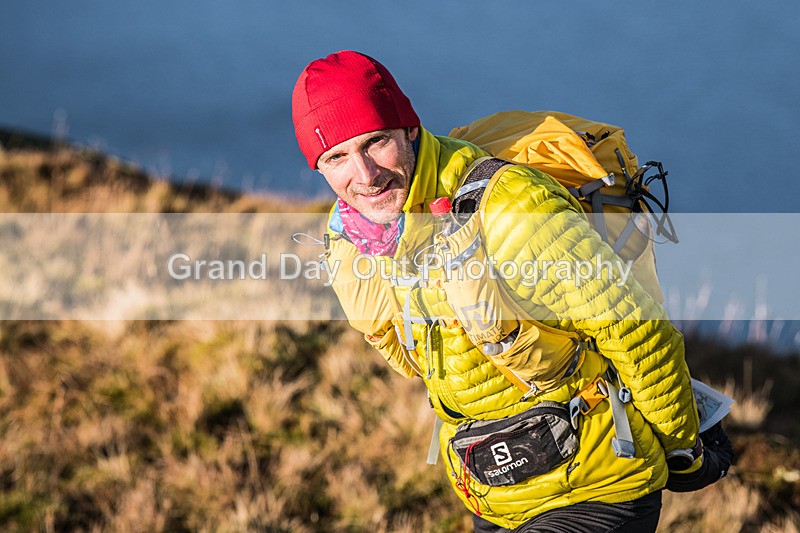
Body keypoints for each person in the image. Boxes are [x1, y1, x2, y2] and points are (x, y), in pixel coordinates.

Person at [291, 50, 734, 532]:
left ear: (410, 131)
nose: (365, 175)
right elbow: (424, 365)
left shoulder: (509, 207)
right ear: (319, 168)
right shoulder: (359, 241)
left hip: (598, 488)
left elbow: (637, 332)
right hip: (494, 501)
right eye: (336, 157)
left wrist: (683, 447)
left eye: (375, 143)